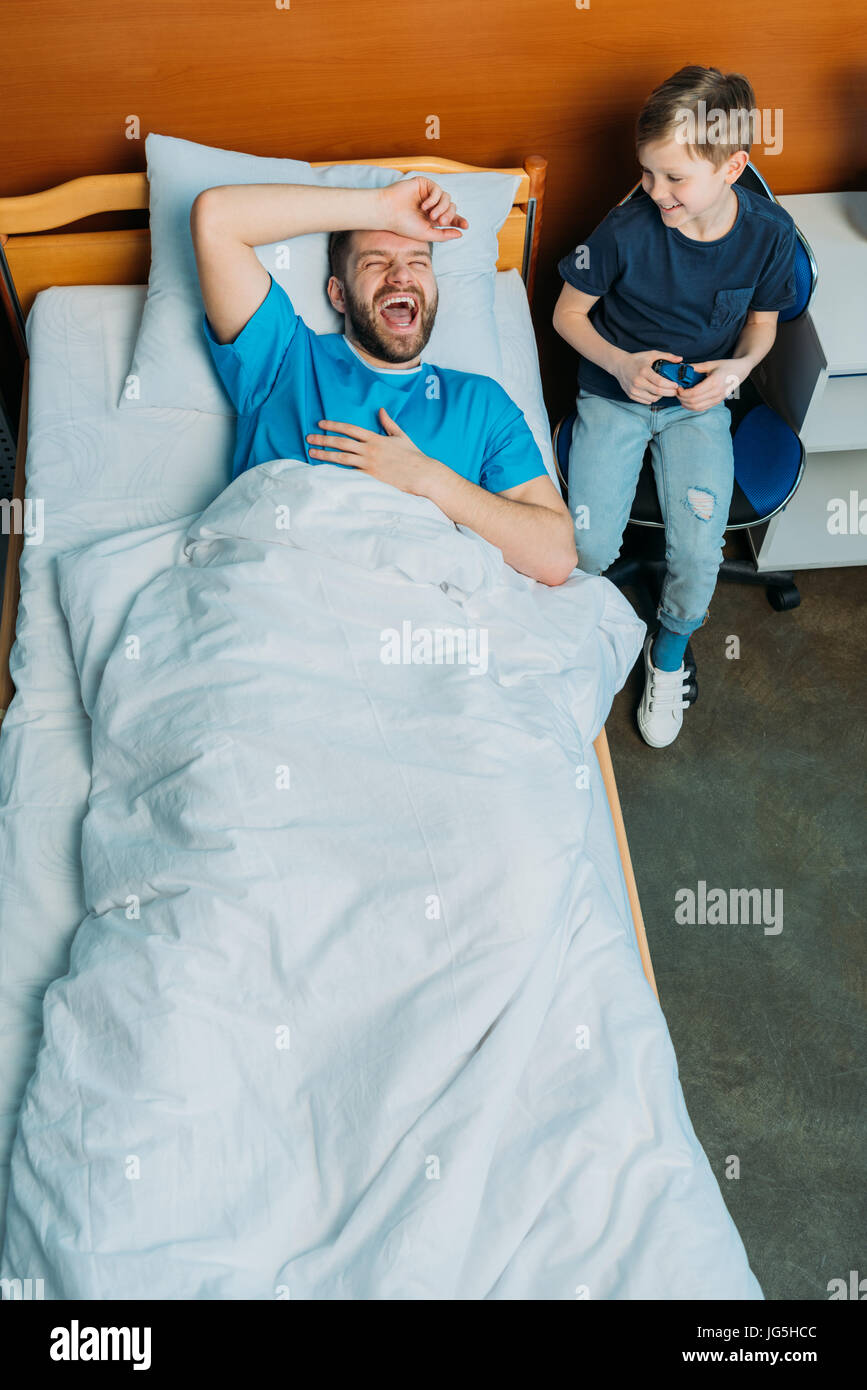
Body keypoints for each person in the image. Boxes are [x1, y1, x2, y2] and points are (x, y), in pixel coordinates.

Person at [553, 65, 797, 745]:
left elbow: (762, 324)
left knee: (698, 551)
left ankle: (666, 653)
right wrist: (621, 365)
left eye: (673, 178)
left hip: (698, 404)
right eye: (647, 172)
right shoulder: (626, 225)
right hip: (616, 389)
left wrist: (739, 369)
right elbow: (567, 314)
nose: (653, 190)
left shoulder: (769, 235)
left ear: (733, 166)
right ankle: (583, 640)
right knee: (588, 546)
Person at [190, 176, 577, 587]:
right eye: (374, 263)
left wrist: (428, 479)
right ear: (338, 294)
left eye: (418, 262)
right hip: (286, 593)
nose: (400, 276)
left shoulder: (481, 403)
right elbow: (216, 219)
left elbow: (555, 557)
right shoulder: (287, 358)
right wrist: (383, 208)